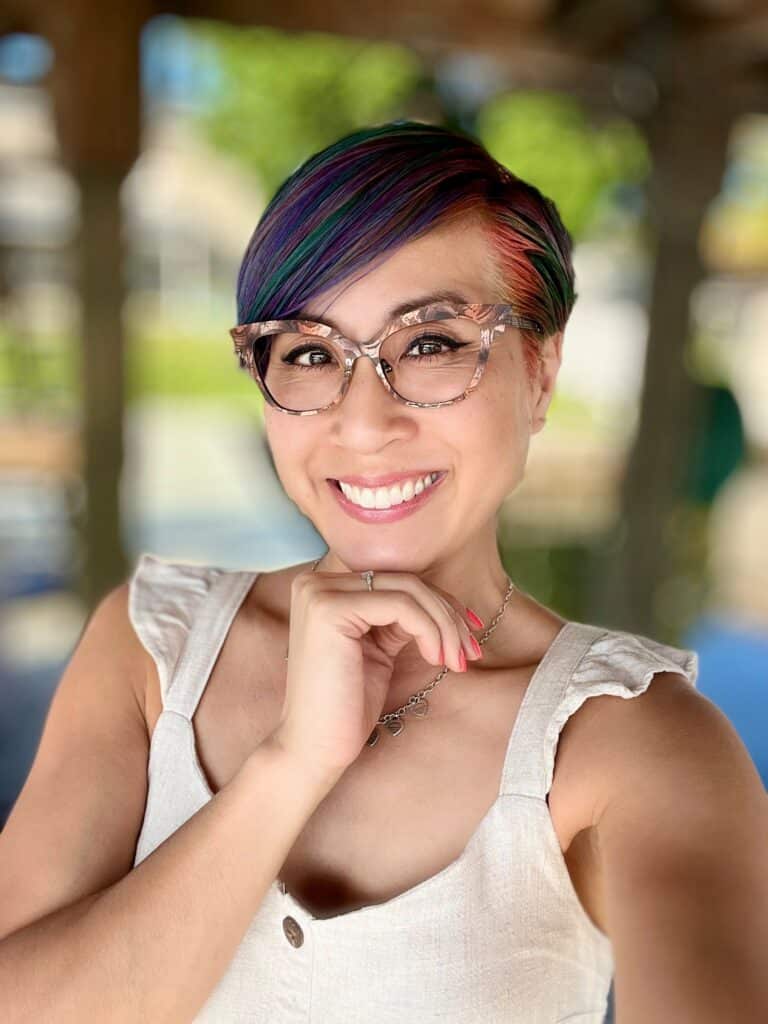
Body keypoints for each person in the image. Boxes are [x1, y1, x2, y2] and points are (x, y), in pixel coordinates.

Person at [0, 121, 766, 1024]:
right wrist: (291, 765)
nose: (364, 425)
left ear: (540, 372)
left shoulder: (631, 741)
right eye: (311, 353)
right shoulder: (155, 646)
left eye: (432, 343)